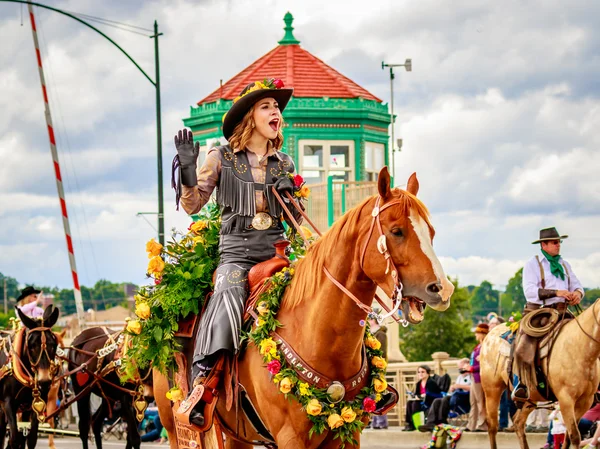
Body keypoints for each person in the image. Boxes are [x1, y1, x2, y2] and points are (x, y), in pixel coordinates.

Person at [173, 78, 302, 427]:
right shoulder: (221, 157)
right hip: (237, 256)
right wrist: (187, 169)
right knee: (229, 291)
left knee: (320, 289)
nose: (275, 111)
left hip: (278, 253)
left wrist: (292, 199)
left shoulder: (285, 162)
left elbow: (296, 220)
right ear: (249, 116)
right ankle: (206, 380)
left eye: (277, 107)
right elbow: (192, 204)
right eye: (266, 106)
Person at [513, 227, 584, 401]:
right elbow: (529, 291)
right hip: (540, 311)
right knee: (524, 342)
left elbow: (578, 286)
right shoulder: (533, 263)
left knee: (586, 338)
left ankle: (589, 384)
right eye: (554, 242)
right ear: (543, 245)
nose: (558, 245)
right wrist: (556, 293)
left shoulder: (565, 264)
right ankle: (523, 383)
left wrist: (577, 295)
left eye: (558, 242)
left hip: (563, 311)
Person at [420, 358, 471, 431]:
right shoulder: (460, 377)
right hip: (456, 397)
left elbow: (474, 389)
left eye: (461, 368)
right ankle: (430, 423)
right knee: (437, 400)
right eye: (459, 368)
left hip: (465, 399)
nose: (460, 369)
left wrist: (459, 386)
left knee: (445, 399)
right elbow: (456, 387)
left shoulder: (472, 376)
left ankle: (442, 421)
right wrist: (453, 388)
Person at [403, 365, 443, 431]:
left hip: (430, 402)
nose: (420, 374)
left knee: (414, 404)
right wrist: (415, 396)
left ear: (428, 373)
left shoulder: (431, 382)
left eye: (422, 372)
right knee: (409, 403)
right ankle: (409, 424)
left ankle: (416, 423)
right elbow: (417, 394)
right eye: (418, 372)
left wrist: (425, 395)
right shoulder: (418, 383)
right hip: (421, 400)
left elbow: (437, 395)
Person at [466, 322, 488, 432]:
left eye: (477, 333)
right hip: (473, 376)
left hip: (479, 377)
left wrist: (471, 368)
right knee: (473, 402)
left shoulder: (485, 346)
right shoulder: (478, 346)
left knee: (481, 402)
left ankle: (483, 424)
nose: (475, 335)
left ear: (482, 334)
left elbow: (485, 363)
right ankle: (471, 425)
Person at [368, 314, 388, 430]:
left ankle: (381, 421)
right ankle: (374, 421)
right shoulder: (370, 333)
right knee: (371, 395)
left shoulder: (380, 334)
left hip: (377, 366)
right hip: (370, 367)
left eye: (370, 318)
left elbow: (382, 351)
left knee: (378, 393)